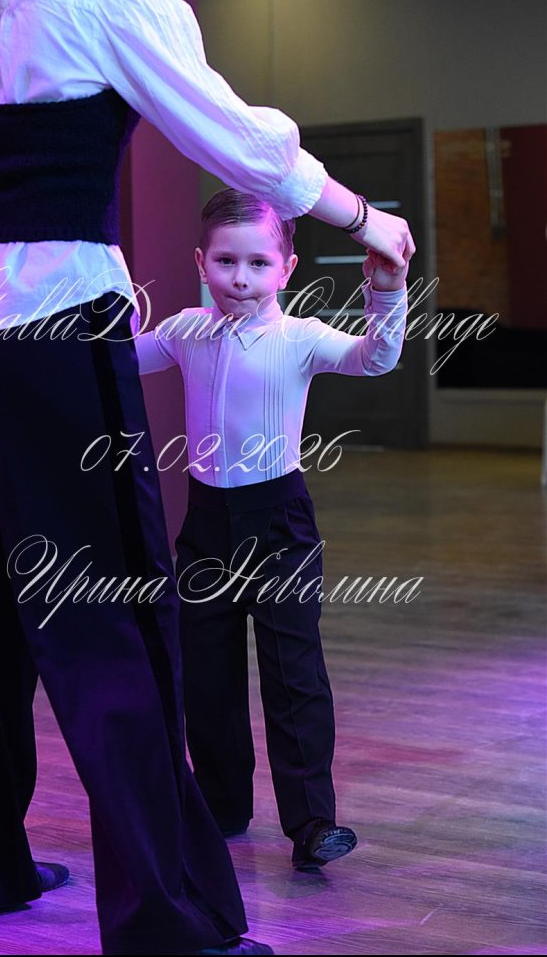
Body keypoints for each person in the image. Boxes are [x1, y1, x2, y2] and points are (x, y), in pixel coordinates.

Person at [0, 0, 414, 953]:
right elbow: (245, 146)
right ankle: (169, 926)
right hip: (51, 308)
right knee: (112, 617)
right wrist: (365, 217)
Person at [134, 187, 409, 870]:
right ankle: (222, 805)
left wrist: (387, 292)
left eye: (258, 263)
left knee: (293, 672)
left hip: (280, 522)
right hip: (206, 522)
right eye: (226, 261)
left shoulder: (301, 338)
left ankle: (312, 822)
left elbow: (376, 357)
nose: (241, 277)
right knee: (207, 671)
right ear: (201, 263)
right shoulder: (185, 330)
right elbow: (118, 359)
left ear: (286, 269)